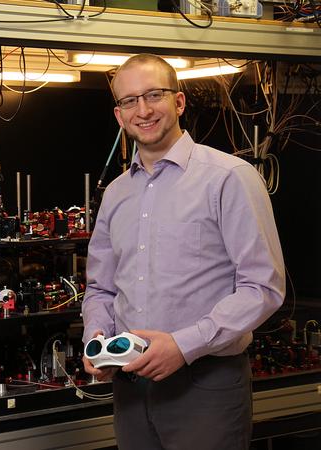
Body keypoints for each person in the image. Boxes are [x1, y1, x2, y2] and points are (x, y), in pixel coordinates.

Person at [81, 54, 285, 449]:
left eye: (154, 95)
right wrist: (97, 340)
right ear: (119, 115)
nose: (143, 110)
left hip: (205, 386)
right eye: (129, 101)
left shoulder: (229, 178)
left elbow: (263, 287)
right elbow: (101, 288)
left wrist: (183, 345)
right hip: (130, 388)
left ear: (178, 102)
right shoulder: (117, 194)